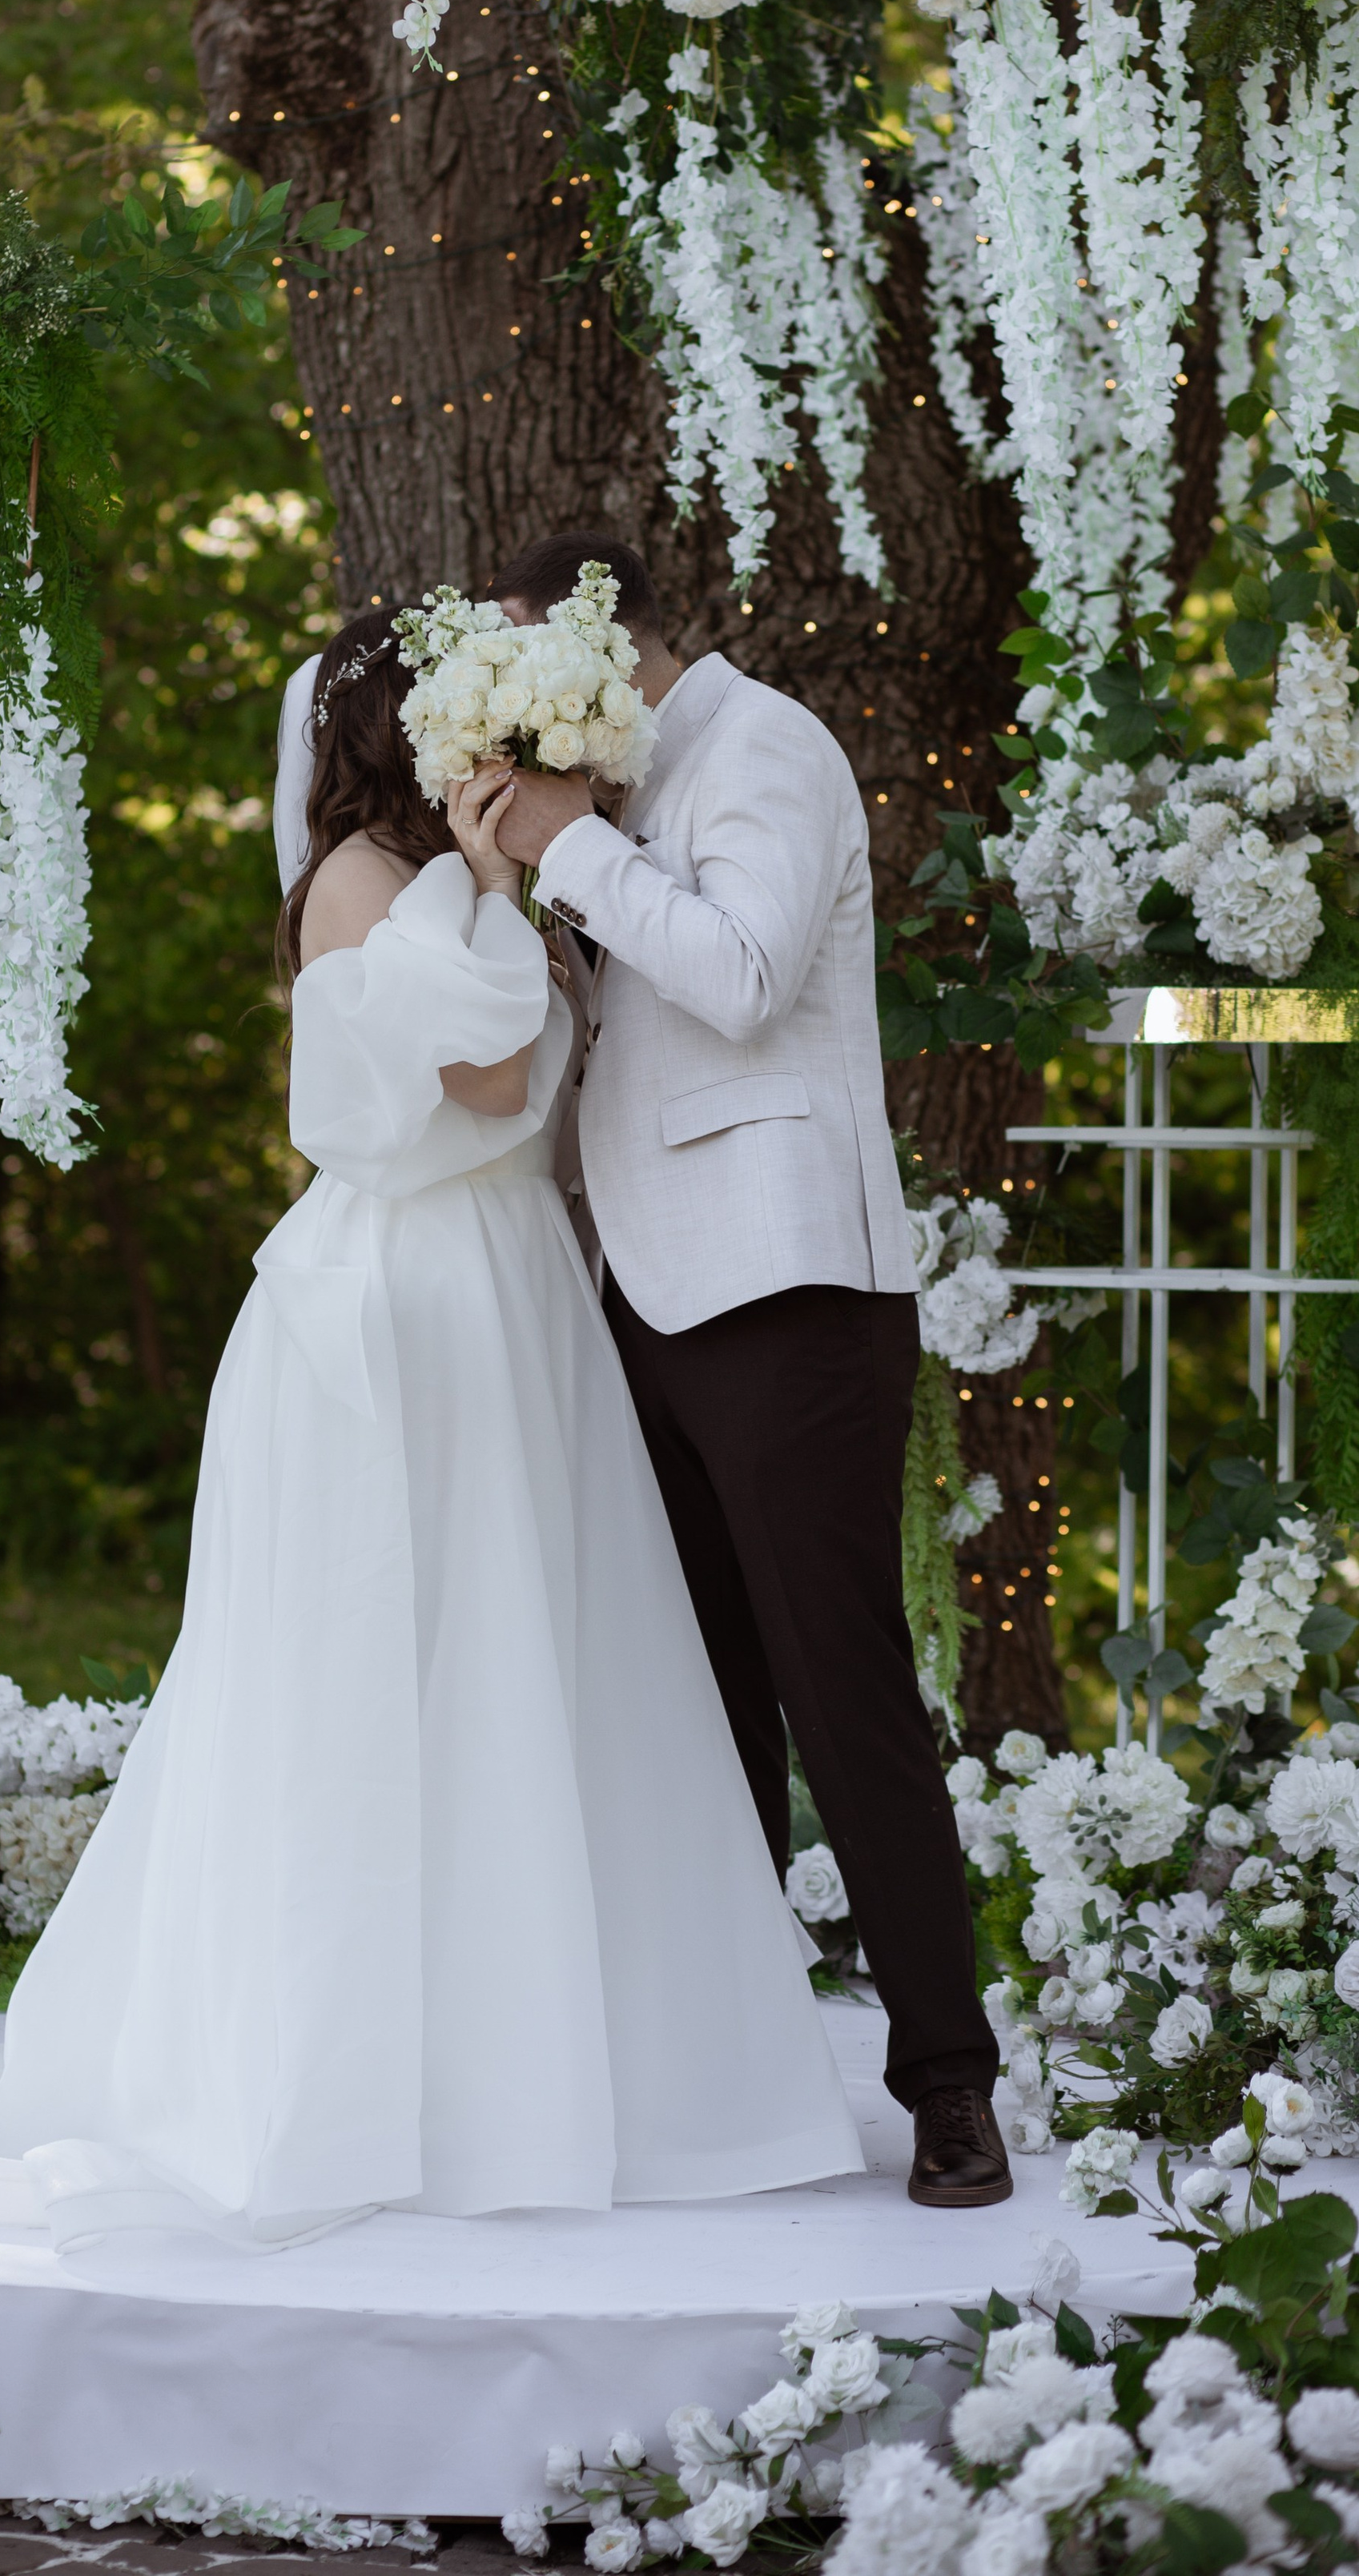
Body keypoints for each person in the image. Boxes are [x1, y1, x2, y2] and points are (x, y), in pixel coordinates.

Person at [0, 606, 862, 2248]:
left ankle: (534, 2061)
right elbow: (483, 1087)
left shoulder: (451, 881)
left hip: (505, 1290)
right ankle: (347, 2076)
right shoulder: (363, 881)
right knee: (375, 1667)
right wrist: (499, 888)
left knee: (524, 1663)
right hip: (397, 1300)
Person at [484, 532, 1009, 2210]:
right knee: (698, 1706)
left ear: (605, 644)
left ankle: (948, 2087)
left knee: (835, 1694)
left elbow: (741, 975)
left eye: (524, 678)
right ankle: (730, 2086)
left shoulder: (759, 744)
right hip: (639, 1295)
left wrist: (567, 855)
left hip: (786, 1290)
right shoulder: (613, 810)